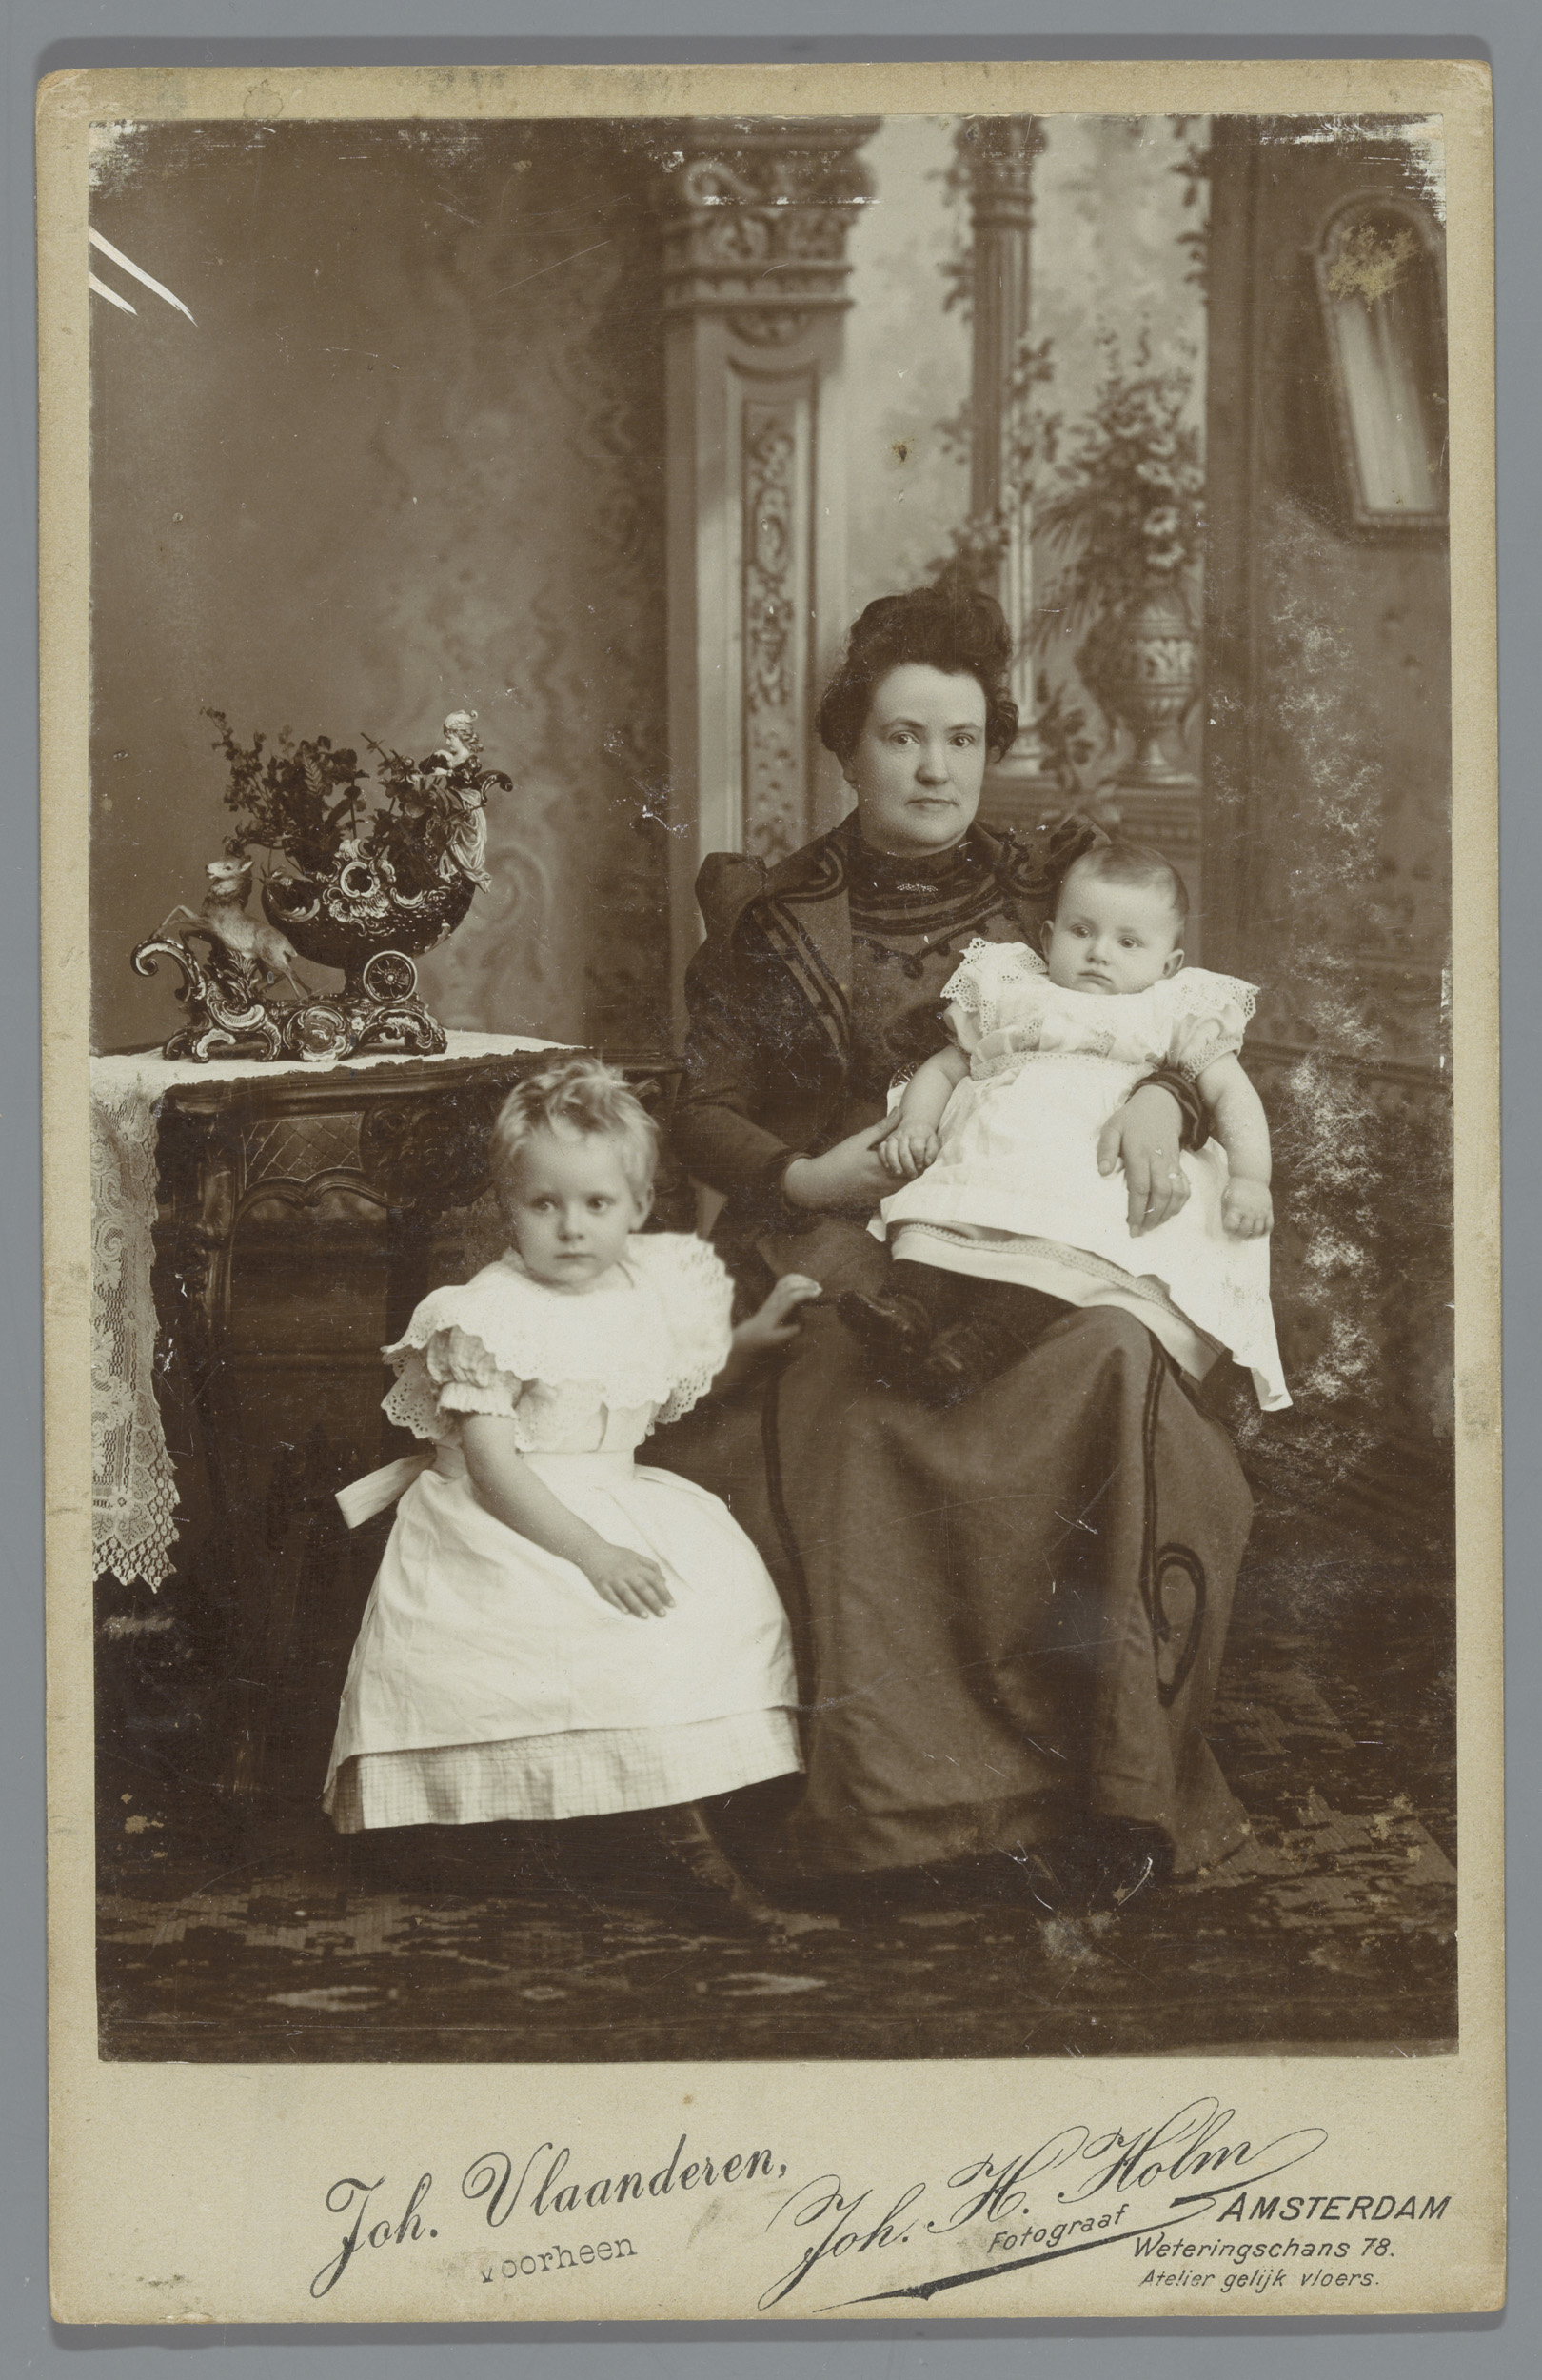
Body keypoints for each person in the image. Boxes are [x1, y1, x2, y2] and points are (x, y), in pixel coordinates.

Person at [655, 584, 1256, 1903]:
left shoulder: (1055, 885)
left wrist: (1162, 1099)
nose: (935, 767)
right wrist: (805, 1172)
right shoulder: (775, 916)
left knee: (1116, 1358)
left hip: (1051, 1223)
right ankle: (907, 1807)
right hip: (845, 1232)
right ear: (848, 746)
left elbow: (1167, 1016)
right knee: (861, 1419)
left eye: (963, 738)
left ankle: (1108, 1788)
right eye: (903, 736)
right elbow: (698, 1106)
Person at [322, 1058, 819, 1840]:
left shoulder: (644, 1291)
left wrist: (749, 1340)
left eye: (597, 1203)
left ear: (638, 1206)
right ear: (508, 1209)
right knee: (564, 1628)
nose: (572, 1228)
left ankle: (676, 1797)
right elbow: (492, 1465)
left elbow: (668, 1380)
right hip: (511, 1511)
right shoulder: (489, 1313)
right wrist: (591, 1552)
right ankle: (542, 1820)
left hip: (621, 1493)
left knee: (711, 1604)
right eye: (544, 1204)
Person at [844, 827, 1291, 1413]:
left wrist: (1252, 1178)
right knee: (937, 1230)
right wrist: (916, 1123)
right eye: (1082, 932)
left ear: (1169, 963)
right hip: (998, 1157)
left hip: (1090, 1179)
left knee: (1064, 1260)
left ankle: (980, 1346)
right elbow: (945, 1068)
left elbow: (1233, 1094)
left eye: (1128, 942)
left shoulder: (1173, 1009)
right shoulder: (1012, 989)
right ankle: (908, 1310)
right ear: (1049, 937)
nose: (1099, 953)